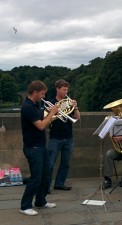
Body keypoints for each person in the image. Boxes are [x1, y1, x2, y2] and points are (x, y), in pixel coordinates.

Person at [20, 80, 59, 216]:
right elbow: (41, 126)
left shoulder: (36, 104)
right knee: (36, 178)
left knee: (45, 175)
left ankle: (41, 201)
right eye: (42, 94)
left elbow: (43, 120)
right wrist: (53, 112)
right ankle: (25, 206)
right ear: (35, 92)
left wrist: (50, 113)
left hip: (41, 145)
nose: (43, 97)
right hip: (33, 147)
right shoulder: (28, 107)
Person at [47, 79, 80, 191]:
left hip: (68, 136)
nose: (66, 92)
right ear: (57, 89)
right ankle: (46, 186)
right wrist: (54, 112)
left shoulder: (69, 102)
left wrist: (75, 107)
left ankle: (59, 183)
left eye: (67, 89)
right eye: (63, 89)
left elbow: (77, 118)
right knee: (50, 163)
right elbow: (47, 119)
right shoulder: (51, 102)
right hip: (55, 137)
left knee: (66, 163)